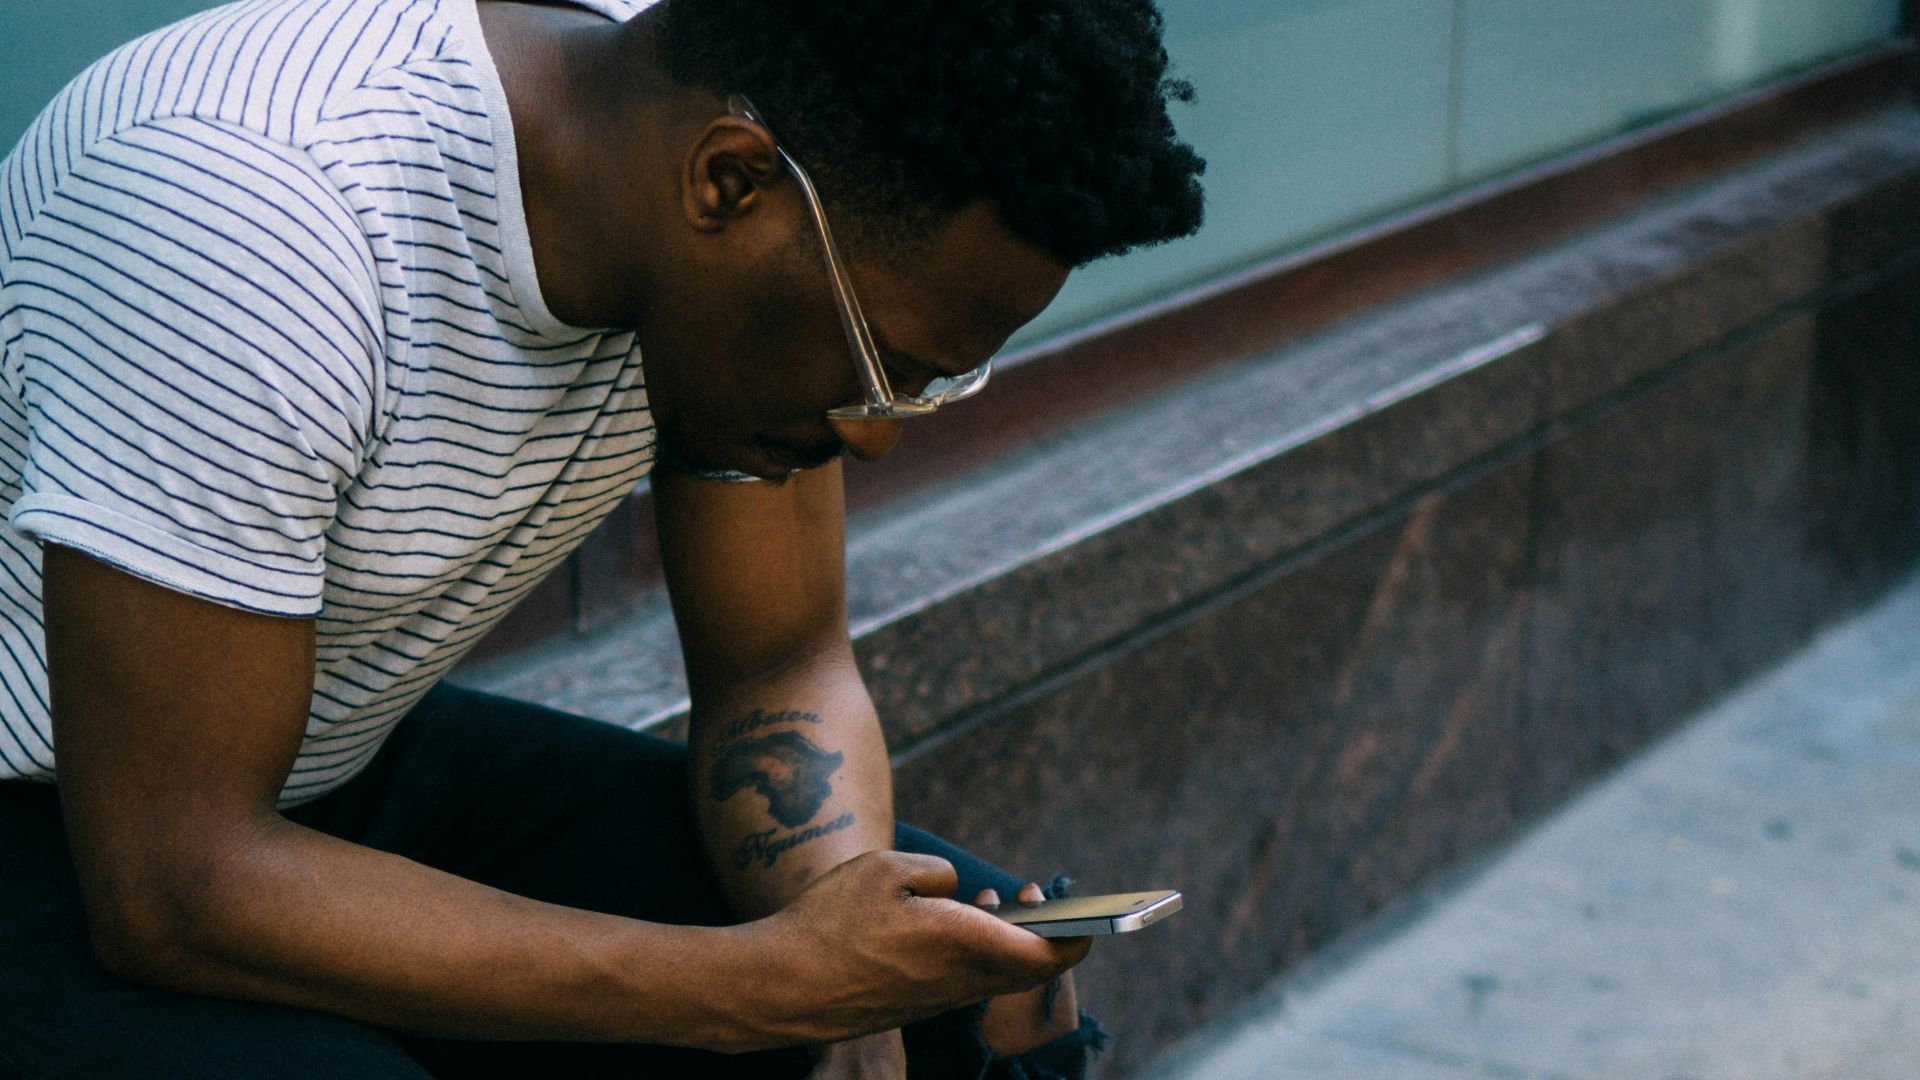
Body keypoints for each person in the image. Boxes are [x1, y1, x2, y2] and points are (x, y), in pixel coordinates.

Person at [0, 0, 1205, 1075]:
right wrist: (758, 991)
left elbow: (778, 666)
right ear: (728, 186)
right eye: (883, 366)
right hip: (80, 821)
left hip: (326, 759)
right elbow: (175, 885)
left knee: (962, 989)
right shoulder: (251, 217)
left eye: (934, 385)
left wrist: (847, 978)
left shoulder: (742, 144)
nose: (878, 436)